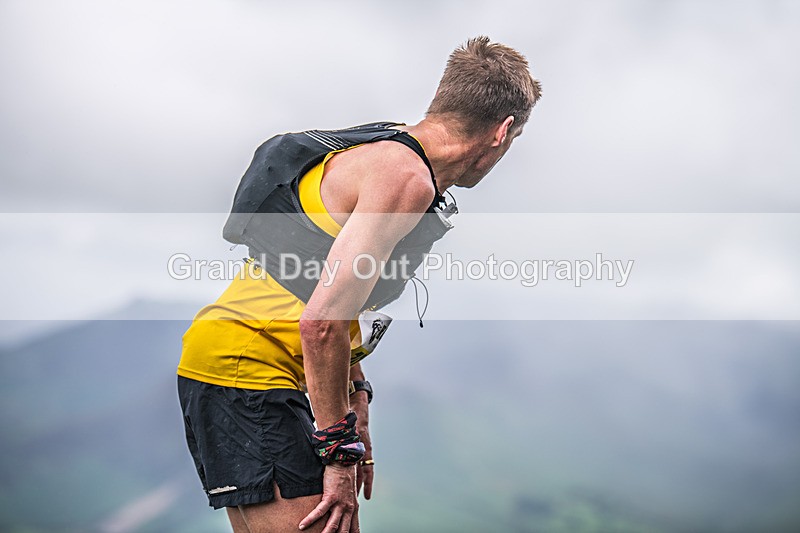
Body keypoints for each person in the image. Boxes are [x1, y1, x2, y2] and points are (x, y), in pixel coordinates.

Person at [177, 36, 541, 533]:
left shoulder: (381, 147)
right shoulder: (405, 178)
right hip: (250, 367)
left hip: (235, 358)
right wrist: (339, 457)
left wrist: (356, 401)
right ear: (501, 132)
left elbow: (322, 287)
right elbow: (321, 323)